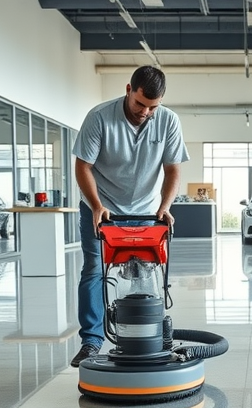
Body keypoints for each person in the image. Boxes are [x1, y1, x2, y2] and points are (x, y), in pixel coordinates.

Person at [70, 65, 189, 367]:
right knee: (95, 268)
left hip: (148, 210)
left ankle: (153, 334)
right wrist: (97, 205)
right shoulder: (99, 118)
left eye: (153, 106)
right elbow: (82, 165)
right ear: (128, 90)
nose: (146, 112)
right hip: (103, 207)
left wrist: (165, 206)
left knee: (147, 271)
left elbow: (173, 168)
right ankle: (91, 342)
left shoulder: (168, 121)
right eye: (140, 104)